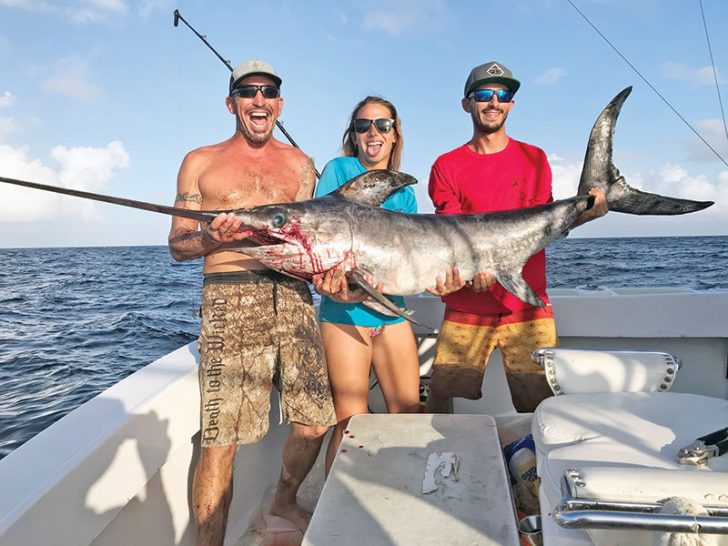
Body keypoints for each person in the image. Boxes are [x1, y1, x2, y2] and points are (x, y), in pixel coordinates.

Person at [168, 59, 336, 545]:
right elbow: (178, 245)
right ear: (231, 103)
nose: (258, 100)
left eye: (268, 92)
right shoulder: (199, 161)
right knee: (221, 442)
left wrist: (326, 272)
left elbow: (311, 242)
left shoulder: (301, 164)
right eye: (247, 92)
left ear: (279, 104)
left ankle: (285, 496)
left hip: (294, 295)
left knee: (315, 422)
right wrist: (210, 238)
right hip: (229, 298)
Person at [425, 61, 608, 415]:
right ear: (467, 103)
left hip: (526, 306)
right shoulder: (445, 165)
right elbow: (448, 238)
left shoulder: (534, 158)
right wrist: (469, 270)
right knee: (440, 395)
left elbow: (541, 228)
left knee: (540, 405)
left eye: (503, 94)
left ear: (511, 104)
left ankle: (537, 469)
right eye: (483, 94)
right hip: (466, 305)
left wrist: (588, 212)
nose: (494, 101)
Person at [312, 96, 463, 475]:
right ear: (354, 135)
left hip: (391, 312)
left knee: (408, 413)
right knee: (351, 424)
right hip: (345, 315)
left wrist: (437, 283)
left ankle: (402, 494)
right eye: (363, 126)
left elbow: (408, 260)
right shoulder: (339, 169)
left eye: (383, 124)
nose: (373, 133)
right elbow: (319, 234)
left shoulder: (405, 192)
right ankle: (336, 512)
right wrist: (332, 286)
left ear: (395, 134)